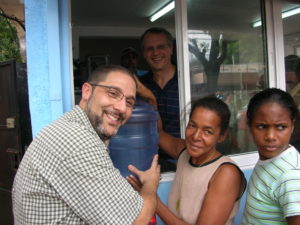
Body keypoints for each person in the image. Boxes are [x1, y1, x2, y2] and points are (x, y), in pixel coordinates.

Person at [12, 65, 160, 225]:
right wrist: (150, 186)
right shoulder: (77, 141)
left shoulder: (68, 126)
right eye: (113, 93)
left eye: (129, 102)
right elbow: (136, 221)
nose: (122, 107)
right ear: (87, 91)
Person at [128, 96, 247, 225]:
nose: (195, 136)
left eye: (207, 132)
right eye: (192, 126)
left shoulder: (226, 173)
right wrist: (150, 102)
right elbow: (159, 133)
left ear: (221, 136)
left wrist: (151, 198)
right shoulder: (185, 152)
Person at [242, 88, 300, 224]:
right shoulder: (271, 160)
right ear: (249, 126)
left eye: (280, 127)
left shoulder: (290, 176)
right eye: (262, 126)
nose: (270, 137)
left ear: (292, 126)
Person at [139, 27, 180, 170]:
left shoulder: (187, 82)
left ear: (171, 49)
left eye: (161, 47)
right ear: (144, 54)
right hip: (149, 163)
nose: (155, 52)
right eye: (149, 49)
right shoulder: (139, 86)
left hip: (184, 159)